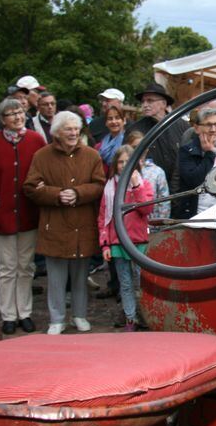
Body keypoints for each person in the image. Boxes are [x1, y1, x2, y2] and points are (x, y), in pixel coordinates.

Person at [24, 111, 105, 335]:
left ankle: (80, 315)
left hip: (82, 223)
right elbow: (31, 187)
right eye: (68, 129)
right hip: (55, 224)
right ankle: (56, 318)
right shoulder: (42, 156)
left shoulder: (91, 155)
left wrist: (78, 193)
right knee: (56, 277)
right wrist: (56, 194)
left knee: (80, 275)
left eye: (76, 129)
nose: (73, 133)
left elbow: (100, 185)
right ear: (57, 132)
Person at [0, 98, 44, 333]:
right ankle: (8, 315)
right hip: (2, 215)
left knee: (26, 266)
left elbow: (43, 170)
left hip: (29, 213)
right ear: (3, 119)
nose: (17, 117)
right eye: (11, 114)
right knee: (6, 267)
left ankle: (25, 312)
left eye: (20, 112)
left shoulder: (35, 140)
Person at [99, 144, 153, 331]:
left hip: (139, 243)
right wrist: (105, 244)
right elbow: (104, 217)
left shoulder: (143, 184)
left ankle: (146, 316)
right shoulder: (109, 188)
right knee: (126, 284)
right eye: (120, 161)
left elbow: (146, 208)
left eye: (127, 161)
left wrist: (136, 186)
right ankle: (130, 318)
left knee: (142, 283)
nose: (123, 165)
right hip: (117, 242)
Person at [127, 82, 189, 193]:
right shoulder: (135, 129)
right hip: (148, 191)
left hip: (179, 190)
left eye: (150, 100)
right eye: (143, 101)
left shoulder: (182, 126)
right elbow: (127, 159)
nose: (145, 104)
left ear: (164, 104)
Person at [173, 107, 216, 218]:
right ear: (197, 128)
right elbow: (194, 181)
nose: (213, 129)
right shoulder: (187, 151)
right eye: (208, 125)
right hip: (196, 214)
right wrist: (210, 153)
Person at [97, 103, 126, 171]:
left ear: (124, 121)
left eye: (117, 118)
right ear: (106, 123)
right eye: (110, 119)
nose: (113, 121)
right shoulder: (100, 145)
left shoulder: (128, 141)